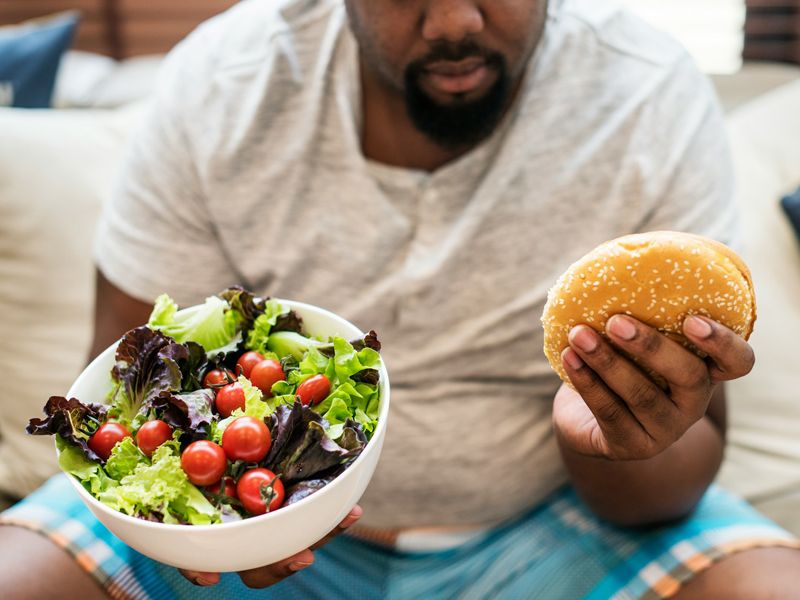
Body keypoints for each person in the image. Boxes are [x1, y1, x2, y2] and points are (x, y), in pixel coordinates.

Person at [2, 0, 799, 598]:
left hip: (555, 527)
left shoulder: (649, 94)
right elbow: (117, 390)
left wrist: (623, 441)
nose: (455, 19)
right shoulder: (223, 83)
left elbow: (669, 491)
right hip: (232, 531)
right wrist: (210, 523)